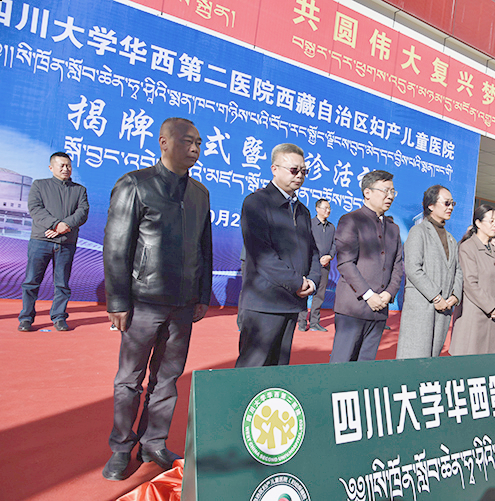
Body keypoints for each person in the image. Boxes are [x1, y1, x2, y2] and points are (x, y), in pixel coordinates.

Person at [102, 118, 212, 480]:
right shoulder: (135, 184)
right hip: (143, 301)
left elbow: (204, 248)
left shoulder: (200, 194)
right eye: (187, 141)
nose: (194, 149)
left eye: (199, 143)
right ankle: (121, 447)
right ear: (164, 142)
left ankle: (153, 443)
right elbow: (116, 246)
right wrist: (118, 301)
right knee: (129, 379)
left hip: (183, 305)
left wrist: (202, 294)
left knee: (167, 378)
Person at [236, 143, 320, 368]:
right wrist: (296, 282)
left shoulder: (302, 211)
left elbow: (313, 250)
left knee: (278, 371)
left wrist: (312, 281)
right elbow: (262, 254)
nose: (300, 175)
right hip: (264, 303)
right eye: (294, 170)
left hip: (291, 302)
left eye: (304, 171)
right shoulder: (256, 202)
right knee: (252, 369)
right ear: (274, 169)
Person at [330, 170, 403, 363]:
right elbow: (345, 263)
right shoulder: (351, 220)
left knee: (365, 368)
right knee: (342, 364)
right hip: (353, 309)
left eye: (393, 192)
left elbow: (397, 265)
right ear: (367, 192)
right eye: (385, 191)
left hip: (380, 310)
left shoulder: (393, 229)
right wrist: (369, 295)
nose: (390, 196)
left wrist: (388, 294)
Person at [18, 152, 89, 332]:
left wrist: (65, 226)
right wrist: (56, 224)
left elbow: (82, 212)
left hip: (66, 242)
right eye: (61, 165)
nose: (66, 169)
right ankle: (26, 318)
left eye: (68, 165)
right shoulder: (39, 185)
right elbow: (35, 209)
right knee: (31, 281)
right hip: (41, 241)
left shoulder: (79, 190)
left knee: (62, 283)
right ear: (51, 167)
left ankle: (59, 317)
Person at [397, 185, 462, 359]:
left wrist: (455, 296)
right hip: (422, 307)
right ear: (431, 205)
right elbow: (413, 268)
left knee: (432, 360)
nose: (451, 207)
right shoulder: (418, 232)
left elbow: (458, 270)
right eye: (446, 203)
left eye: (453, 203)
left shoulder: (451, 239)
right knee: (414, 359)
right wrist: (436, 297)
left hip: (444, 308)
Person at [449, 205, 495, 356]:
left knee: (486, 362)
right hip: (473, 315)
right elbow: (469, 283)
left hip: (493, 316)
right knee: (469, 359)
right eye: (491, 221)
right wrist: (491, 307)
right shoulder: (468, 247)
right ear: (478, 223)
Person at [298, 198, 336, 332]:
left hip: (325, 265)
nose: (328, 210)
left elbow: (335, 244)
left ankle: (314, 322)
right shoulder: (310, 224)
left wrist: (329, 256)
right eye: (325, 208)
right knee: (304, 291)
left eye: (329, 208)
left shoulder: (331, 227)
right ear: (317, 209)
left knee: (320, 294)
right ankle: (302, 322)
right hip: (309, 264)